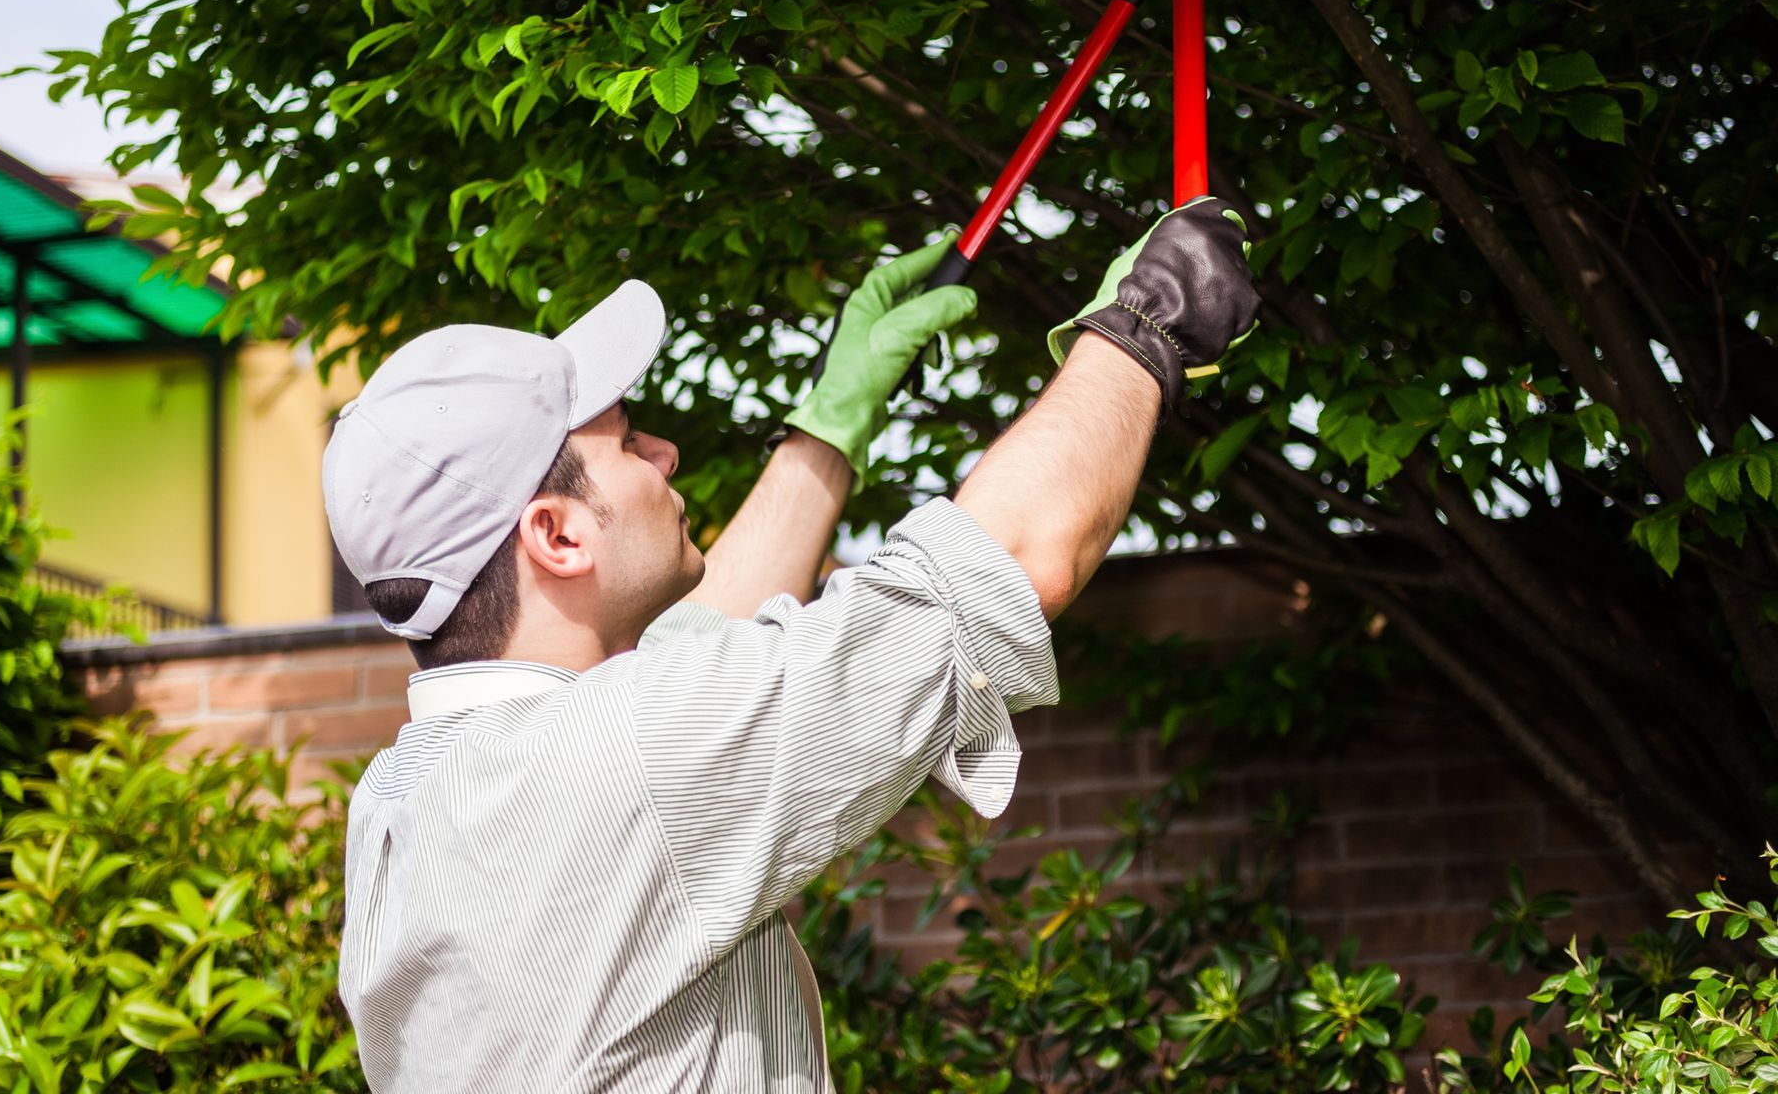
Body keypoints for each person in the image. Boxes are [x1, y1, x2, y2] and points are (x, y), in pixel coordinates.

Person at [327, 197, 1260, 1091]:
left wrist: (836, 413)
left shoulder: (407, 796)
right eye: (625, 442)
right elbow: (997, 571)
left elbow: (704, 655)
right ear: (559, 536)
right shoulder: (616, 762)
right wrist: (1144, 328)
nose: (664, 455)